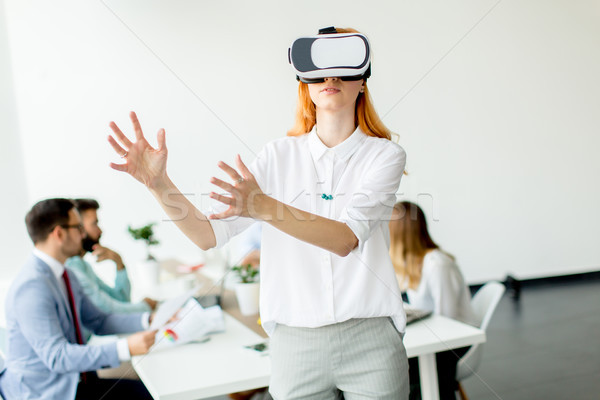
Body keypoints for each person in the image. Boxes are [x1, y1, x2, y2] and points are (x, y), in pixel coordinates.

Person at [108, 27, 408, 399]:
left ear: (363, 81)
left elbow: (345, 238)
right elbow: (207, 235)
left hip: (371, 340)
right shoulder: (276, 157)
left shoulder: (384, 156)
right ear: (305, 82)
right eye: (320, 69)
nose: (330, 78)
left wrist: (263, 205)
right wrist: (159, 185)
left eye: (344, 68)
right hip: (295, 346)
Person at [0, 198, 157, 400]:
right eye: (78, 228)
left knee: (146, 392)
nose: (83, 234)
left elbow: (99, 320)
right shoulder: (31, 287)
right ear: (59, 233)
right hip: (46, 393)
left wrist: (148, 319)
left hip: (74, 380)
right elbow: (57, 356)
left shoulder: (66, 274)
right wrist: (124, 348)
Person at [389, 201, 477, 400]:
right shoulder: (410, 263)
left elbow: (448, 319)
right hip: (436, 334)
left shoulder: (437, 265)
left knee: (403, 372)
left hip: (456, 340)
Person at [65, 198, 157, 322]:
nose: (100, 231)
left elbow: (121, 300)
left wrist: (118, 262)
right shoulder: (72, 268)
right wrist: (145, 307)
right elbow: (106, 309)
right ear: (79, 228)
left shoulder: (83, 265)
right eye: (94, 223)